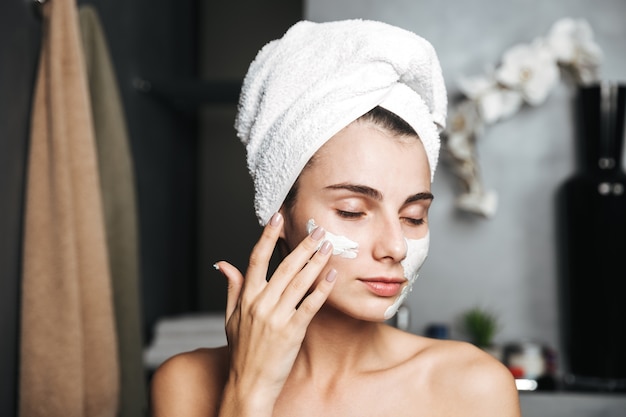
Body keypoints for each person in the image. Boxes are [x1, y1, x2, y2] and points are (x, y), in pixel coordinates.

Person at [150, 19, 521, 417]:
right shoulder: (187, 383)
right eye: (352, 211)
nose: (395, 246)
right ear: (279, 212)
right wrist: (248, 389)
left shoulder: (471, 388)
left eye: (414, 216)